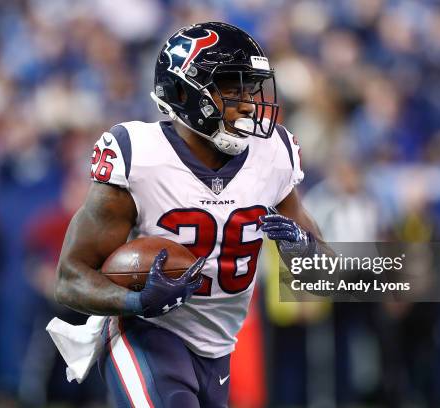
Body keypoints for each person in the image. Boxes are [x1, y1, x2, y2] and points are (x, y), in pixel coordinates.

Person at [54, 22, 325, 407]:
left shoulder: (274, 154)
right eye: (231, 87)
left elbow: (324, 270)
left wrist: (303, 250)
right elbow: (69, 278)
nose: (248, 102)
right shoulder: (139, 156)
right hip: (147, 334)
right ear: (183, 91)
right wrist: (136, 302)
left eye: (251, 87)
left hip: (219, 349)